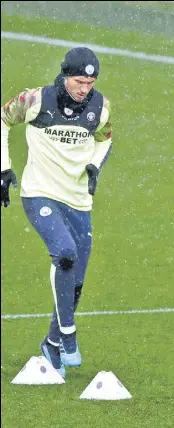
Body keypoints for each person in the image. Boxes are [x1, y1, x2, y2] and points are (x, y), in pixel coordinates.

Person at [1, 48, 112, 378]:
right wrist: (4, 169)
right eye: (79, 81)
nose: (84, 89)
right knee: (64, 254)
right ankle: (68, 333)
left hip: (79, 201)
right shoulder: (35, 100)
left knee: (75, 283)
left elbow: (106, 137)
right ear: (65, 75)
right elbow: (2, 119)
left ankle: (51, 344)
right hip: (39, 193)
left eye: (90, 82)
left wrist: (94, 165)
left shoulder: (100, 106)